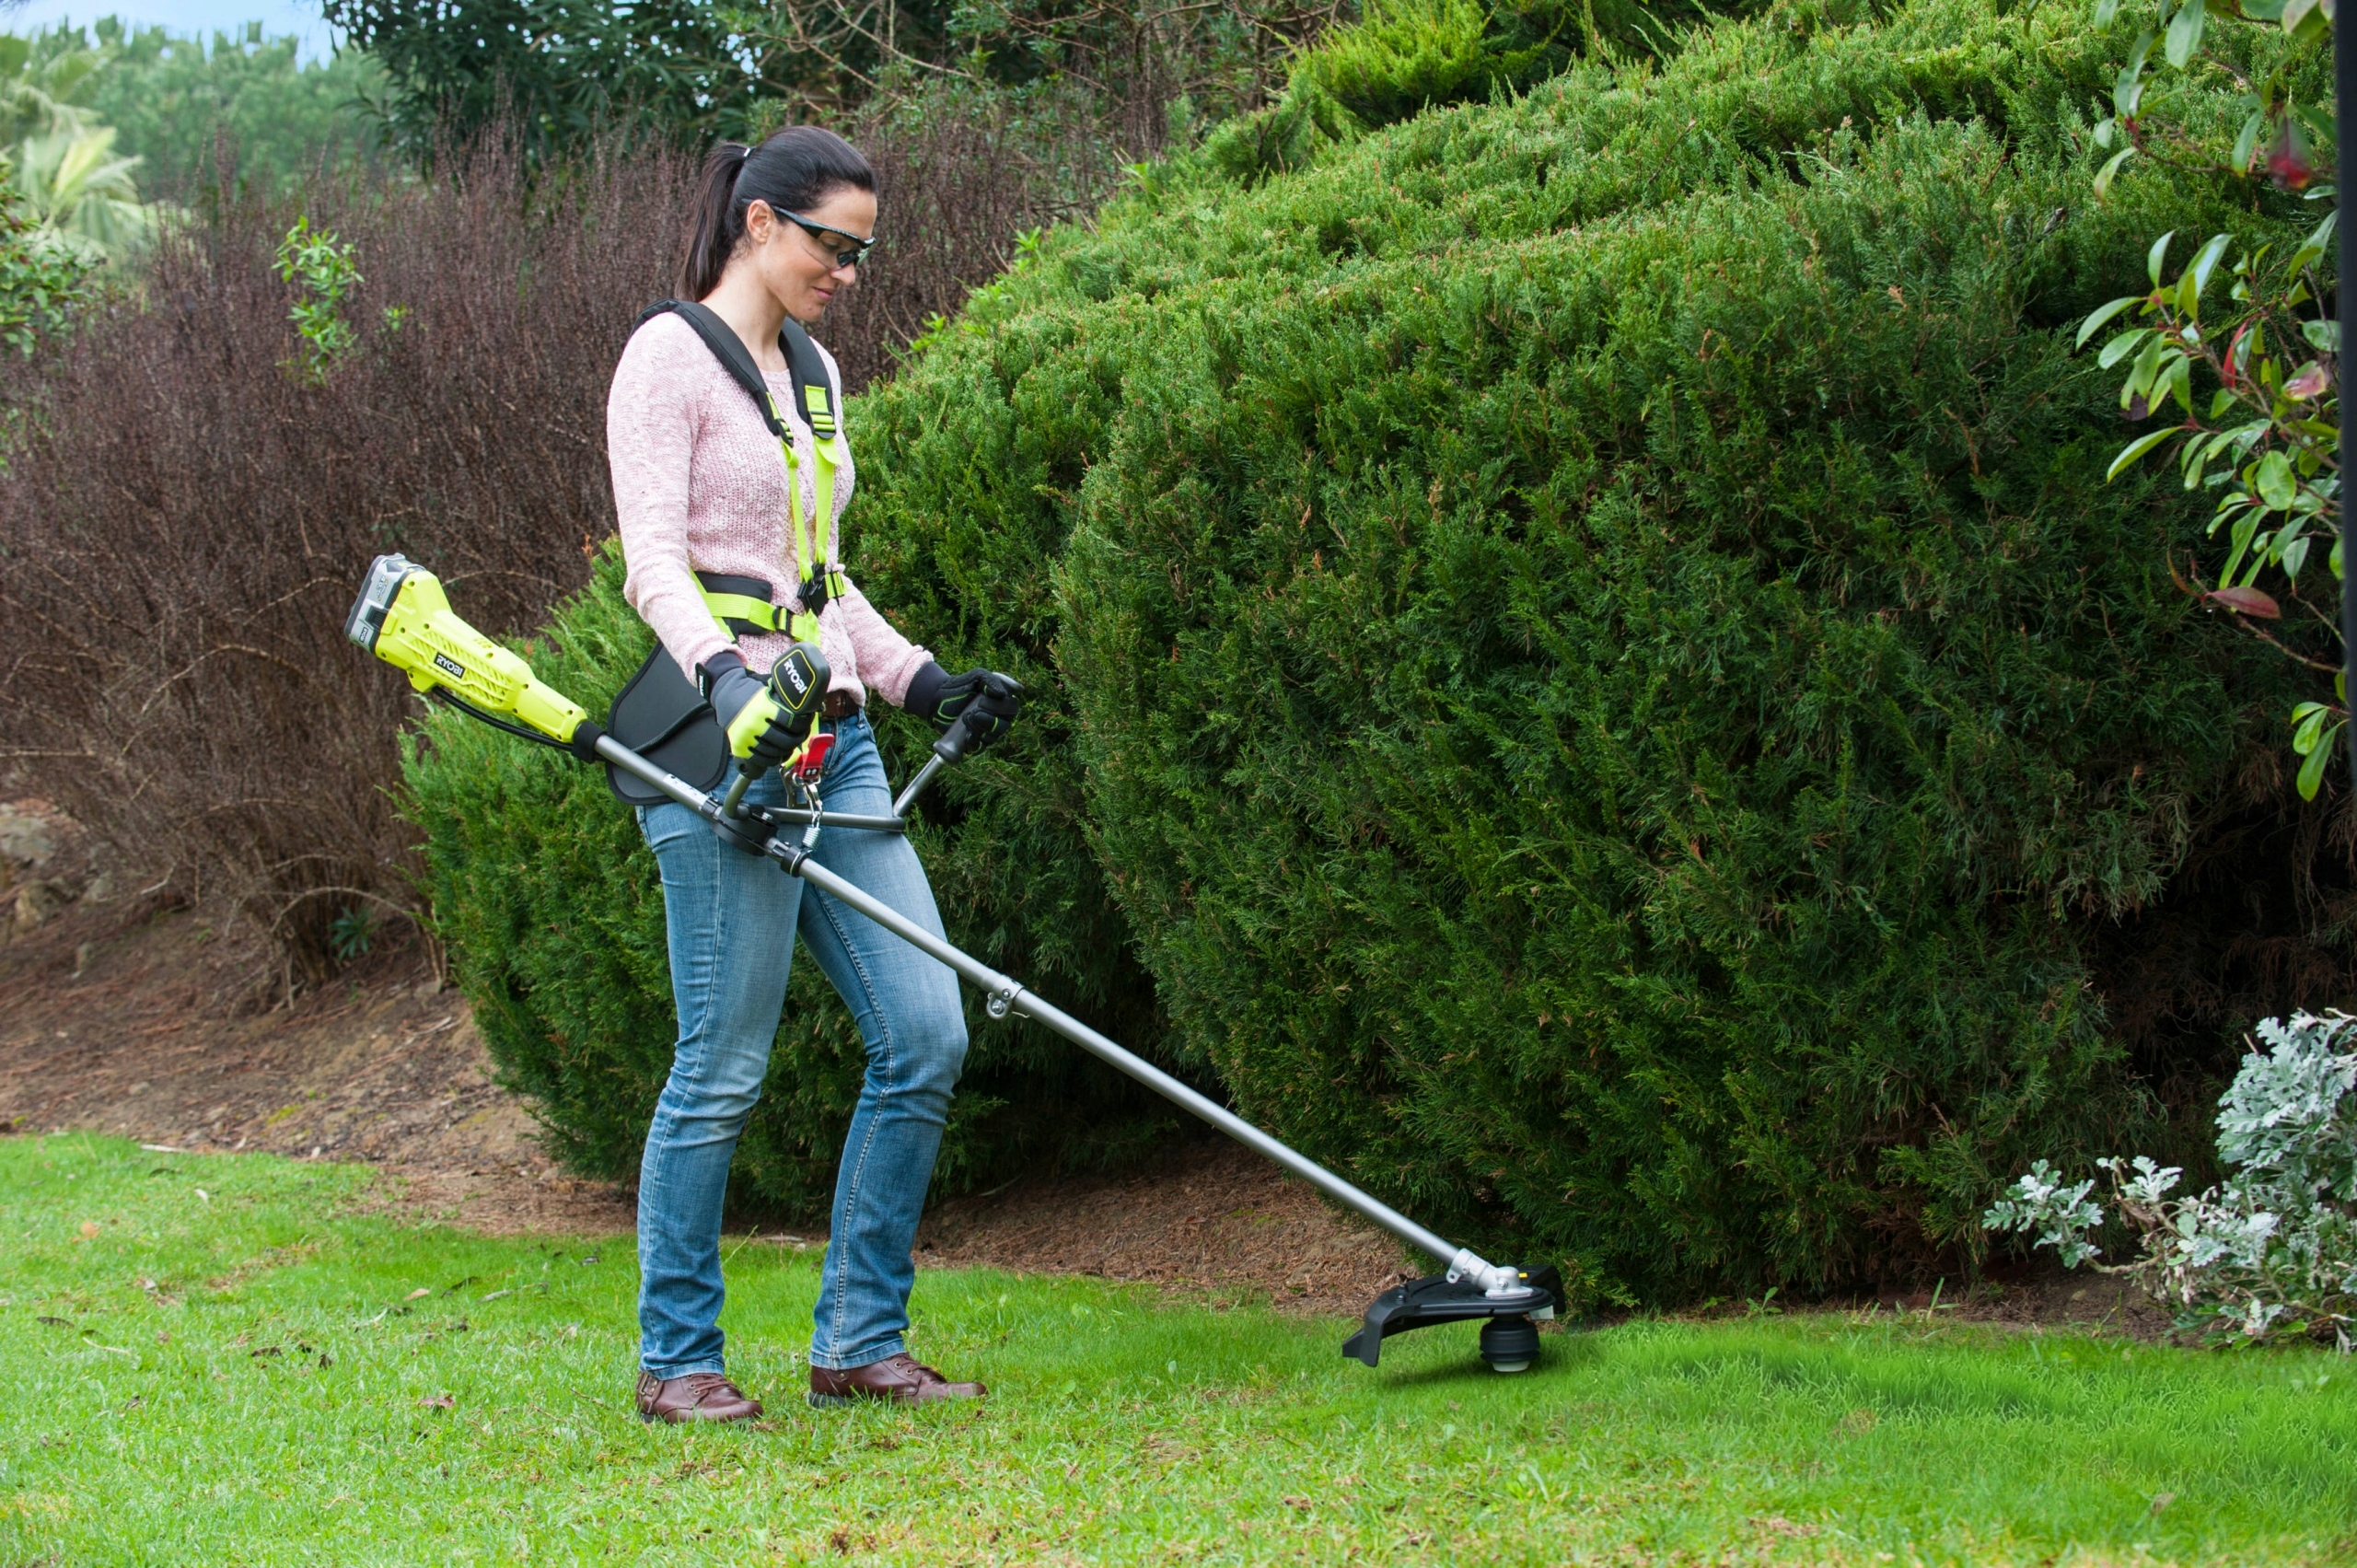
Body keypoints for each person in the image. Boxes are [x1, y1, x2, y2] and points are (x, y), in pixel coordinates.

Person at [606, 126, 1015, 1423]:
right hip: (726, 748)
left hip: (838, 745)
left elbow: (819, 582)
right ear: (760, 224)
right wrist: (725, 678)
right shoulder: (667, 357)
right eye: (832, 243)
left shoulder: (819, 374)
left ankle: (860, 1343)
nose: (849, 268)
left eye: (864, 251)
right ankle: (678, 1360)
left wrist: (925, 680)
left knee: (927, 1033)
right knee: (722, 1064)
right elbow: (655, 562)